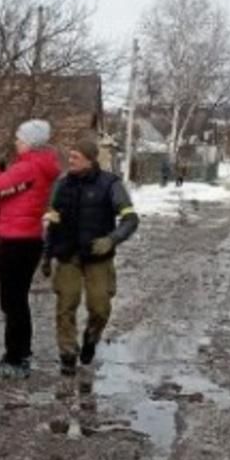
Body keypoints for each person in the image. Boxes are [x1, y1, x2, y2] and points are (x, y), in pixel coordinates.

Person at [0, 119, 61, 379]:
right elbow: (7, 189)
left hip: (18, 241)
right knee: (15, 301)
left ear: (31, 143)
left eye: (20, 139)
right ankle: (18, 354)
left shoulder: (28, 167)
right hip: (25, 239)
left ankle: (16, 358)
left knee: (12, 301)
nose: (16, 142)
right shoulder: (37, 166)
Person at [43, 138, 140, 376]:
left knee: (99, 307)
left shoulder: (110, 185)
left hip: (98, 257)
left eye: (75, 157)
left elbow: (131, 219)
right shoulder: (62, 185)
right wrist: (46, 255)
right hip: (67, 256)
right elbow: (53, 224)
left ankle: (91, 337)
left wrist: (112, 239)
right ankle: (67, 353)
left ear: (90, 159)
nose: (70, 161)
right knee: (65, 306)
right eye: (70, 156)